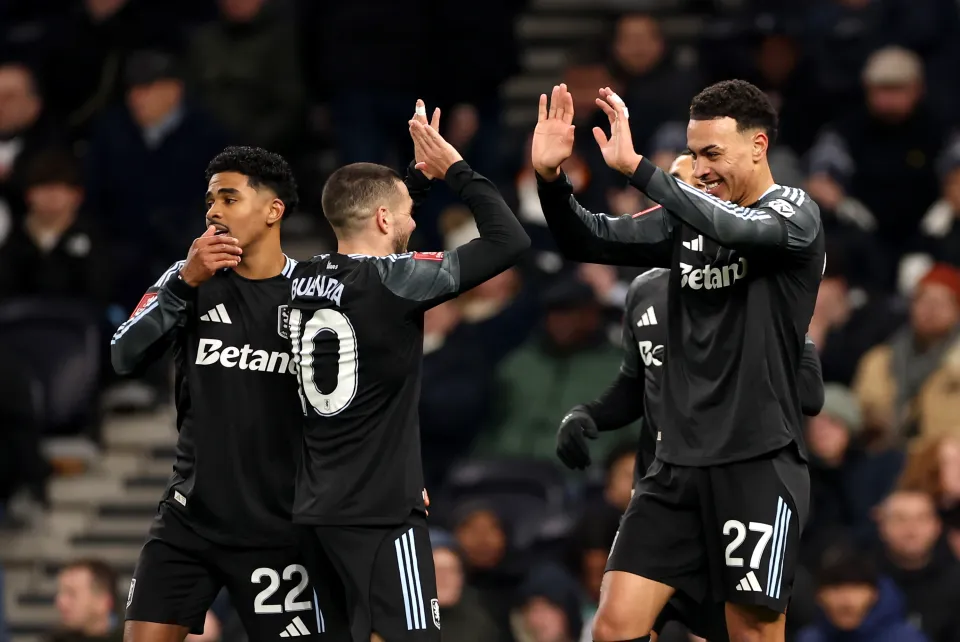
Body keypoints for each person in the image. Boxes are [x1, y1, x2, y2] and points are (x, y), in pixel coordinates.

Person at [532, 81, 825, 642]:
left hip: (756, 461)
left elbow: (734, 228)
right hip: (674, 465)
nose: (700, 166)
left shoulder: (794, 213)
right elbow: (586, 238)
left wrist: (642, 170)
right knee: (613, 626)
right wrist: (551, 179)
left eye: (713, 153)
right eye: (692, 154)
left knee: (753, 632)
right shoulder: (682, 221)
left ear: (759, 146)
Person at [288, 100, 530, 642]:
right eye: (406, 214)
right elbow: (508, 240)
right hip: (380, 510)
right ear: (381, 219)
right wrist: (455, 168)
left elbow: (378, 236)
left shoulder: (299, 280)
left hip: (314, 506)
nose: (414, 222)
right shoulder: (397, 280)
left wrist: (411, 184)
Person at [110, 146, 348, 642]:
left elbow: (356, 402)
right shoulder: (188, 280)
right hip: (189, 522)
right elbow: (122, 356)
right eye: (209, 201)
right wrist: (183, 283)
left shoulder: (315, 294)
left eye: (229, 198)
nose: (213, 211)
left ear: (273, 210)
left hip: (278, 527)